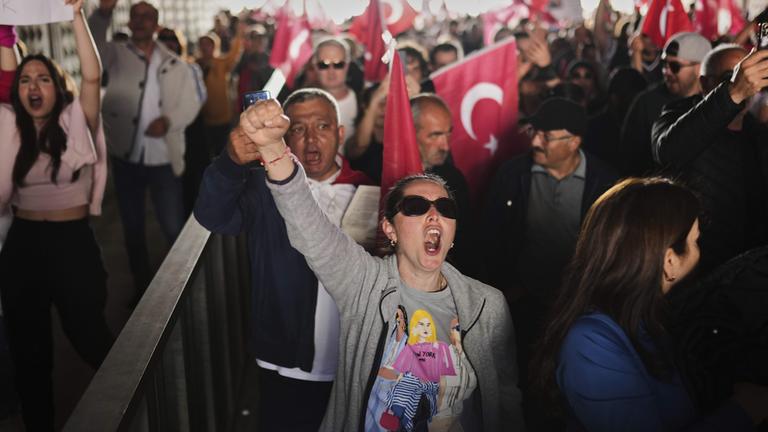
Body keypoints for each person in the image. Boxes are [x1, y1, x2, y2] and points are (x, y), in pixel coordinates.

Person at [237, 98, 525, 431]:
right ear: (390, 228)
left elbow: (505, 402)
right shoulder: (363, 285)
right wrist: (273, 147)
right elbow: (308, 225)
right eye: (416, 206)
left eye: (445, 209)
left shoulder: (488, 305)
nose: (434, 215)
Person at [194, 88, 374, 431]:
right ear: (283, 135)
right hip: (287, 362)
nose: (310, 139)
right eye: (298, 128)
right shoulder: (263, 190)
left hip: (354, 363)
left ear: (340, 133)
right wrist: (230, 163)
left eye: (322, 126)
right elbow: (211, 215)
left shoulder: (369, 190)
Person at [531, 177, 768, 431]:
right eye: (695, 242)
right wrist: (743, 411)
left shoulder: (652, 318)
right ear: (669, 262)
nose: (700, 251)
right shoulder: (589, 344)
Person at [0, 3, 115, 430]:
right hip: (23, 247)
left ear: (57, 87)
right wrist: (4, 30)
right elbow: (5, 68)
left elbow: (91, 76)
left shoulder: (75, 121)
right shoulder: (10, 125)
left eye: (43, 79)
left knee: (91, 339)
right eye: (26, 80)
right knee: (30, 357)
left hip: (72, 245)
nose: (34, 86)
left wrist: (76, 15)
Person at [483, 97, 617, 429]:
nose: (535, 141)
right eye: (534, 131)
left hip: (577, 309)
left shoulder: (606, 184)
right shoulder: (513, 174)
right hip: (522, 302)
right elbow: (492, 237)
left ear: (574, 142)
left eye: (546, 135)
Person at [89, 0, 202, 302]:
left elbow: (191, 104)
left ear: (156, 24)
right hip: (128, 158)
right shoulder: (115, 55)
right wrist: (103, 13)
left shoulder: (175, 64)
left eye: (147, 17)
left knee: (173, 226)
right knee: (133, 229)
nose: (139, 21)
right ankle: (142, 289)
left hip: (163, 158)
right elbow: (91, 41)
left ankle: (183, 289)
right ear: (128, 21)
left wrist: (168, 121)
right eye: (135, 15)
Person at [652, 45, 768, 273]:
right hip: (694, 268)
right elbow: (669, 151)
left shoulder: (758, 132)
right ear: (705, 83)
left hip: (745, 272)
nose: (747, 82)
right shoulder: (678, 114)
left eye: (749, 74)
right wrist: (733, 92)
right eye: (731, 76)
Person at [620, 32, 710, 177]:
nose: (666, 71)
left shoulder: (714, 103)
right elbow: (630, 158)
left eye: (675, 66)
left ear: (700, 67)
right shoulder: (646, 103)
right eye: (664, 64)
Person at [197, 27, 243, 156]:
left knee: (223, 150)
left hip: (224, 118)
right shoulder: (195, 65)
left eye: (209, 44)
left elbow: (234, 54)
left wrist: (239, 33)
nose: (205, 47)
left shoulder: (221, 63)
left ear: (214, 46)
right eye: (203, 44)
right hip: (204, 119)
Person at [313, 37, 358, 150]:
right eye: (324, 65)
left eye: (338, 64)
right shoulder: (300, 104)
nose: (331, 71)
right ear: (315, 67)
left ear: (347, 66)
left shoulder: (364, 100)